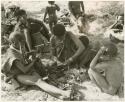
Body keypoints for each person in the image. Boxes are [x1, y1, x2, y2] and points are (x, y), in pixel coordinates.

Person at [1, 31, 70, 100]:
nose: (22, 44)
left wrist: (29, 54)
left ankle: (60, 96)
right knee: (38, 81)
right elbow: (24, 69)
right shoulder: (12, 54)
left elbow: (22, 56)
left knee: (41, 81)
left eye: (23, 42)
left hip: (24, 70)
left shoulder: (16, 47)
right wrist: (33, 61)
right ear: (14, 42)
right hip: (17, 75)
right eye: (21, 42)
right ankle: (63, 93)